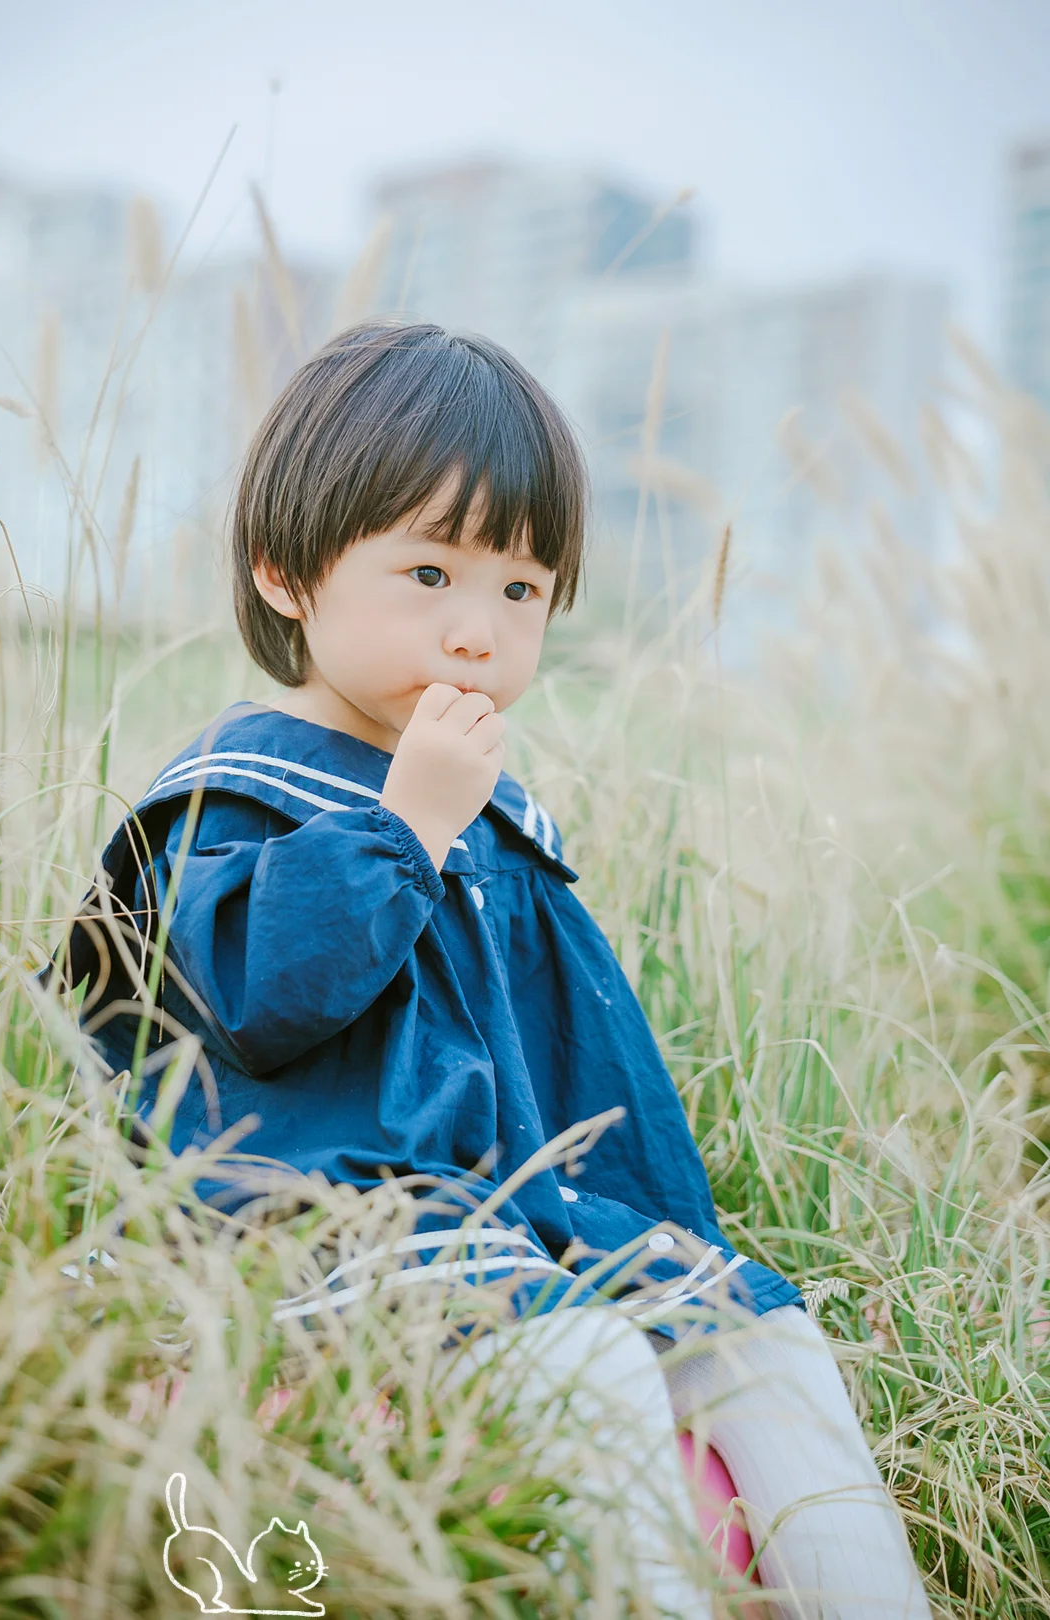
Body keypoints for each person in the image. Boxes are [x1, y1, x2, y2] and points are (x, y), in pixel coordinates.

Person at [58, 320, 932, 1617]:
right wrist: (403, 829)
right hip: (336, 1222)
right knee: (592, 1368)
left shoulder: (494, 812)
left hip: (535, 1221)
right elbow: (254, 997)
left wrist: (656, 1235)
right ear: (287, 574)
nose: (478, 629)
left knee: (763, 1339)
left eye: (520, 589)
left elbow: (579, 1063)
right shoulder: (236, 795)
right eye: (428, 572)